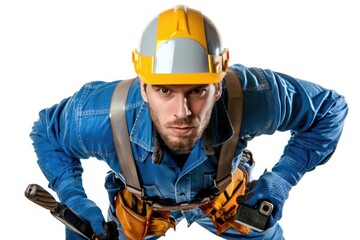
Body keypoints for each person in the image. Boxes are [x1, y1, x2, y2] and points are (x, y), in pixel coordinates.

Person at [30, 5, 348, 240]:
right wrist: (73, 197)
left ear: (219, 84)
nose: (182, 112)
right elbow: (47, 133)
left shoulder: (253, 97)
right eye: (164, 90)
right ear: (143, 86)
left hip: (226, 198)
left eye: (197, 90)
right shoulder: (98, 116)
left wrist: (281, 179)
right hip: (140, 207)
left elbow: (329, 108)